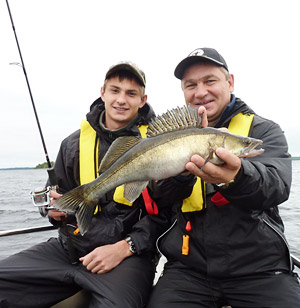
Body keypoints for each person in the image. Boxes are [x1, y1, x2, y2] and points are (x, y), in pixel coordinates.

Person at [0, 62, 174, 308]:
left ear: (142, 100)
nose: (121, 100)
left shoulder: (159, 145)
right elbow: (56, 198)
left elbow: (166, 214)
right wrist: (52, 209)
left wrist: (127, 247)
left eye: (131, 93)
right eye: (115, 90)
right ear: (102, 93)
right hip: (69, 249)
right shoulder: (71, 144)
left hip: (127, 256)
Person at [146, 48, 300, 308]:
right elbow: (161, 197)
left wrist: (238, 176)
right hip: (188, 269)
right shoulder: (170, 137)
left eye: (210, 81)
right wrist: (181, 177)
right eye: (190, 85)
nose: (200, 92)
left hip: (260, 269)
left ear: (230, 82)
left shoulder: (263, 131)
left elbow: (276, 186)